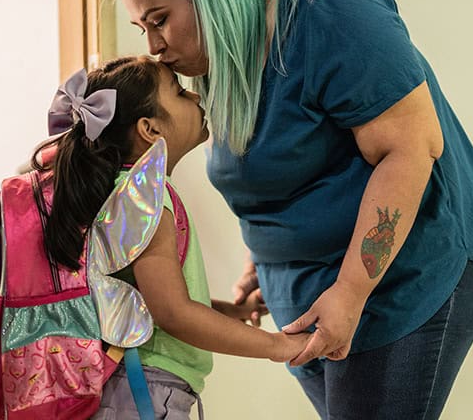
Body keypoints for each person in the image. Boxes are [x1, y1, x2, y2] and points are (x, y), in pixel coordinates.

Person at [113, 0, 473, 419]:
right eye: (143, 28)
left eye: (160, 20)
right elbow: (279, 177)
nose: (154, 48)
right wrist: (266, 262)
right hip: (304, 289)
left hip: (403, 273)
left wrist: (352, 290)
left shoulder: (328, 8)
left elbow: (410, 148)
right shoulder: (220, 63)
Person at [34, 56, 309, 419]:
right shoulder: (143, 199)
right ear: (150, 129)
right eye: (179, 92)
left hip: (137, 389)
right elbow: (173, 313)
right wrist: (277, 346)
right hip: (143, 389)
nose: (195, 97)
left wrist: (231, 312)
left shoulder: (123, 192)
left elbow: (152, 299)